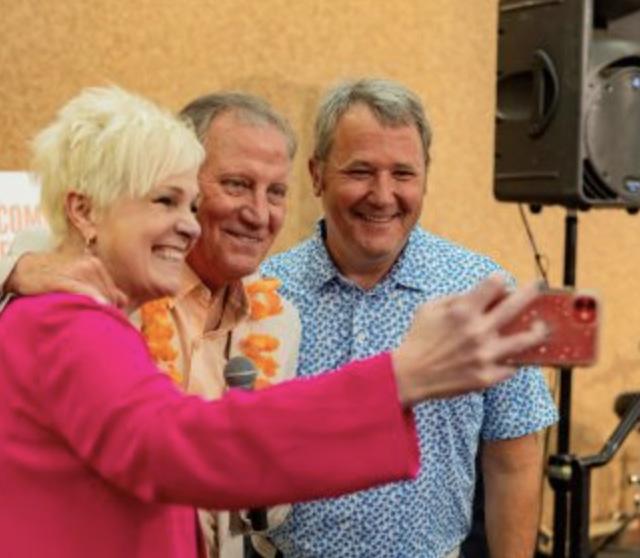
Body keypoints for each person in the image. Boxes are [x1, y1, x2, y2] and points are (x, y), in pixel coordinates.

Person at [0, 84, 549, 558]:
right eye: (166, 201)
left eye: (188, 203)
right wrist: (398, 379)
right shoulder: (67, 308)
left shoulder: (271, 311)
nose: (188, 224)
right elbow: (174, 444)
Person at [261, 78, 559, 558]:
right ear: (317, 175)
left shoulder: (484, 294)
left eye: (403, 174)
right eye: (361, 171)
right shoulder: (264, 294)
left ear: (425, 176)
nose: (383, 195)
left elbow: (514, 460)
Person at [0, 91, 303, 557]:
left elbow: (264, 510)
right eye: (237, 185)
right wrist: (14, 270)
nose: (259, 213)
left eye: (276, 191)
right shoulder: (88, 271)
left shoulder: (280, 320)